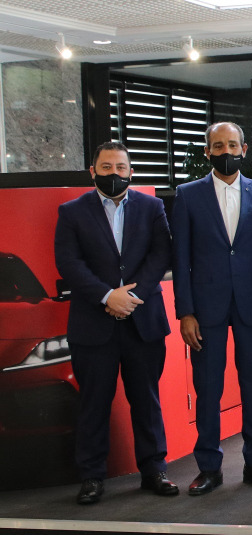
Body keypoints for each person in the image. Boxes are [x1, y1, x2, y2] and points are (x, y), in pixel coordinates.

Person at [54, 141, 177, 504]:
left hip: (143, 321)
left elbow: (161, 254)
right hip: (94, 323)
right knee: (94, 403)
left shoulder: (153, 207)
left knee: (147, 399)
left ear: (131, 172)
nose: (114, 174)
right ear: (93, 172)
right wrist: (109, 296)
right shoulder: (72, 212)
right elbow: (69, 263)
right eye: (106, 168)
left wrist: (132, 296)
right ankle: (92, 476)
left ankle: (154, 470)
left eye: (120, 168)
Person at [171, 122, 252, 495]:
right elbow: (181, 258)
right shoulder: (187, 195)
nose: (226, 152)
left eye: (232, 145)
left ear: (245, 149)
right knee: (208, 387)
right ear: (207, 152)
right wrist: (185, 312)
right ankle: (209, 468)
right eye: (218, 146)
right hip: (205, 309)